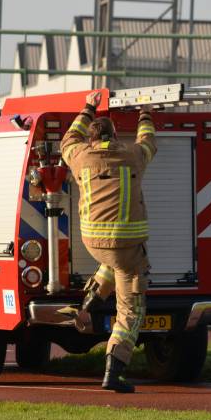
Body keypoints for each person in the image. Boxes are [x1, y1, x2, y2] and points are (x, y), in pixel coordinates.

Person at [60, 90, 157, 393]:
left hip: (94, 241)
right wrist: (145, 114)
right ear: (115, 135)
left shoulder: (79, 156)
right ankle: (114, 371)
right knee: (131, 310)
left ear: (91, 139)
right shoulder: (131, 156)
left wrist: (88, 106)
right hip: (127, 246)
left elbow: (67, 139)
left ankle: (90, 301)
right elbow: (148, 143)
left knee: (112, 262)